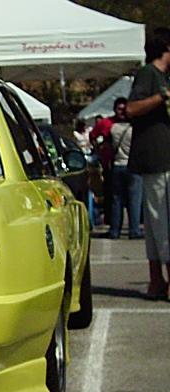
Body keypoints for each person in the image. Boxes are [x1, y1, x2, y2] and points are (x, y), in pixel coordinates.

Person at [126, 27, 170, 300]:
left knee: (156, 225)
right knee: (162, 222)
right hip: (158, 159)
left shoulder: (162, 77)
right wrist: (161, 97)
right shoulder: (149, 74)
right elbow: (131, 108)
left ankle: (156, 281)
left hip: (159, 159)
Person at [106, 98, 143, 239]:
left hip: (117, 165)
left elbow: (108, 146)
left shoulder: (113, 128)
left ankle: (115, 230)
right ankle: (134, 230)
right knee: (134, 200)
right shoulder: (135, 129)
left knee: (117, 200)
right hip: (133, 166)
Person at [90, 98, 130, 228]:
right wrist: (98, 150)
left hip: (129, 163)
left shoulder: (132, 123)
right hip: (109, 163)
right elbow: (92, 135)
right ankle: (111, 220)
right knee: (111, 194)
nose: (122, 112)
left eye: (124, 109)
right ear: (114, 110)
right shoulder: (106, 123)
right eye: (119, 109)